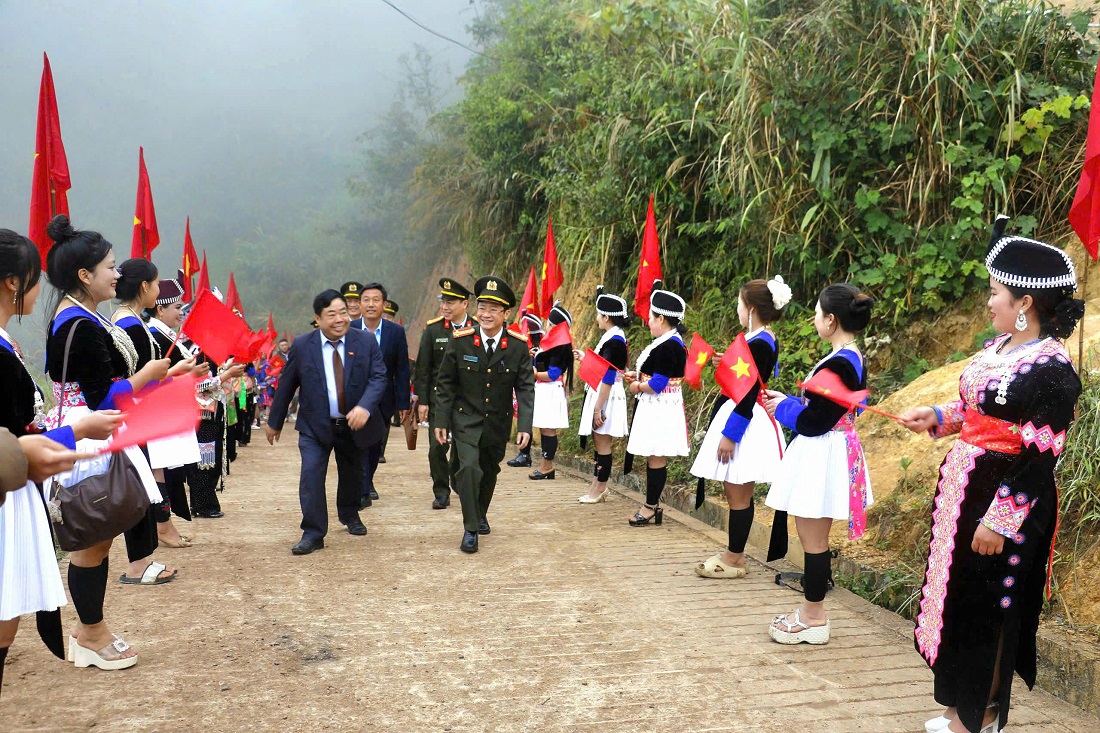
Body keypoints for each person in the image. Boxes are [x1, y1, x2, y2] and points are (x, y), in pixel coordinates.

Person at [900, 219, 1084, 733]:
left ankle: (979, 716)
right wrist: (939, 416)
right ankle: (958, 706)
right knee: (960, 598)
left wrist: (999, 520)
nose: (988, 302)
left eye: (995, 293)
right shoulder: (999, 348)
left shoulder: (1053, 371)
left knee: (990, 608)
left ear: (1025, 302)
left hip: (1005, 503)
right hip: (965, 491)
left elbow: (1039, 457)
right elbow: (977, 409)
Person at [42, 215, 171, 669]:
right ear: (85, 275)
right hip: (89, 433)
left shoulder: (82, 317)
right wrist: (147, 375)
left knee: (98, 536)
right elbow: (101, 397)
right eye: (111, 267)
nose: (118, 274)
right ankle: (90, 632)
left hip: (94, 430)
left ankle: (90, 628)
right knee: (93, 538)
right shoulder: (77, 325)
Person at [0, 228, 118, 691]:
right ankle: (91, 630)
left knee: (8, 618)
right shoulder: (73, 324)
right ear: (14, 282)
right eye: (35, 277)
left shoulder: (9, 341)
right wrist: (77, 432)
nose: (41, 288)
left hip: (16, 480)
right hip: (9, 487)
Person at [762, 283, 874, 646]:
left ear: (831, 320)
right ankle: (813, 613)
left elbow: (816, 422)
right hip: (827, 451)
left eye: (817, 313)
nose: (814, 319)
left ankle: (813, 617)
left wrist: (783, 408)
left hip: (823, 453)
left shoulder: (841, 362)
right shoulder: (847, 356)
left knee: (813, 540)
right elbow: (825, 408)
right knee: (814, 538)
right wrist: (789, 400)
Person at [265, 289, 388, 555]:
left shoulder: (365, 341)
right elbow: (287, 384)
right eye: (331, 314)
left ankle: (350, 514)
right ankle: (313, 532)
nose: (339, 319)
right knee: (311, 475)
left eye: (343, 312)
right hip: (315, 426)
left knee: (353, 475)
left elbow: (378, 377)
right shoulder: (302, 346)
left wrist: (365, 407)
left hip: (353, 425)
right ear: (318, 318)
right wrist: (275, 421)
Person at [692, 277, 790, 577]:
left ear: (752, 310)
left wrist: (730, 435)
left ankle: (734, 558)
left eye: (739, 303)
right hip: (745, 414)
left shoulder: (760, 342)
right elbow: (749, 373)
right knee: (736, 490)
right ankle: (735, 553)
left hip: (745, 418)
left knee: (738, 492)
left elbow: (748, 391)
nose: (737, 309)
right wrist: (727, 361)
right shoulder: (760, 338)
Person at [433, 276, 536, 553]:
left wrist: (524, 426)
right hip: (465, 419)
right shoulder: (462, 341)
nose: (486, 314)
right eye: (482, 308)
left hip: (497, 422)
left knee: (488, 471)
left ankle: (479, 513)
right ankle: (470, 529)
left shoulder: (517, 345)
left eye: (493, 309)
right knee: (468, 469)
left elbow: (525, 387)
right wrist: (441, 420)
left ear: (506, 314)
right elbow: (446, 383)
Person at [113, 259, 200, 571]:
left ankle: (148, 551)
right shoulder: (130, 324)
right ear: (144, 287)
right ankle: (141, 560)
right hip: (136, 411)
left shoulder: (128, 319)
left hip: (139, 409)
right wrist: (176, 373)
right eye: (155, 283)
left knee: (150, 479)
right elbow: (139, 379)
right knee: (143, 483)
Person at [146, 273, 210, 544]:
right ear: (160, 309)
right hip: (157, 411)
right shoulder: (153, 335)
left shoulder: (165, 334)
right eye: (177, 307)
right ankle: (162, 527)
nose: (181, 313)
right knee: (158, 470)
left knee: (165, 470)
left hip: (169, 410)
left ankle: (165, 526)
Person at [623, 281, 690, 527]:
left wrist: (637, 386)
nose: (648, 322)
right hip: (660, 405)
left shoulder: (668, 346)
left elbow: (659, 383)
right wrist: (639, 376)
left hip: (660, 406)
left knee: (656, 456)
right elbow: (660, 375)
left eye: (651, 317)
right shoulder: (669, 341)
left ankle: (651, 506)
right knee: (655, 456)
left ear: (661, 319)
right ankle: (652, 505)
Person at [413, 278, 473, 509]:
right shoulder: (434, 330)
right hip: (439, 400)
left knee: (462, 447)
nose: (444, 307)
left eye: (450, 302)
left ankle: (456, 477)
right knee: (437, 447)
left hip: (467, 401)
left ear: (464, 303)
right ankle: (441, 491)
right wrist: (423, 401)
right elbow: (423, 368)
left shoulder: (477, 328)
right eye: (443, 302)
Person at [350, 282, 410, 506]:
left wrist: (403, 403)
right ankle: (362, 490)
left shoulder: (396, 332)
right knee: (356, 445)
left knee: (375, 445)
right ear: (359, 304)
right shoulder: (349, 329)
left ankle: (367, 481)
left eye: (376, 300)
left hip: (384, 400)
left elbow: (402, 369)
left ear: (384, 304)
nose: (370, 304)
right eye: (366, 300)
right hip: (354, 399)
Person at [574, 287, 630, 502]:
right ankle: (597, 485)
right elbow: (602, 366)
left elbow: (608, 375)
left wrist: (598, 408)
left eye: (599, 314)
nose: (597, 318)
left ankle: (600, 487)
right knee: (599, 442)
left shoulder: (614, 341)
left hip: (607, 395)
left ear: (606, 317)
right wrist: (584, 358)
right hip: (604, 393)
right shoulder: (613, 337)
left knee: (603, 443)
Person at [529, 302, 573, 481]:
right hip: (544, 389)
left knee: (548, 430)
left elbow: (553, 374)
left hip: (550, 389)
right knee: (544, 428)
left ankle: (547, 466)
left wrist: (534, 373)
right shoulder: (554, 342)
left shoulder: (560, 345)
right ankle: (546, 465)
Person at [506, 311, 544, 468]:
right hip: (527, 388)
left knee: (537, 424)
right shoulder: (529, 347)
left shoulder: (541, 349)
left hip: (537, 388)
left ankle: (526, 454)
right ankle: (524, 453)